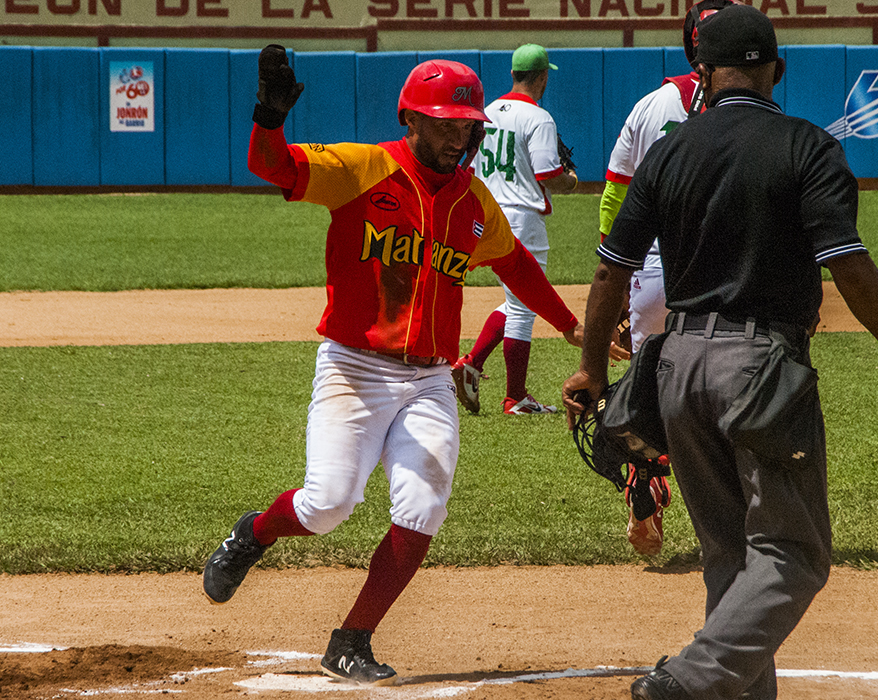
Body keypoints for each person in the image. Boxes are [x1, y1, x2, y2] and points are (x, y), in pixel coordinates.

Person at [562, 6, 878, 700]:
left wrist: (592, 366)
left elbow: (612, 268)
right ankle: (686, 681)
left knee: (732, 559)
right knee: (793, 553)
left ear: (702, 74)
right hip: (757, 369)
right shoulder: (805, 145)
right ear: (776, 71)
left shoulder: (668, 149)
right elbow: (847, 262)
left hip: (677, 368)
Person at [202, 49, 588, 687]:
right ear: (410, 118)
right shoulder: (363, 168)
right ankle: (255, 533)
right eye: (440, 122)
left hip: (431, 378)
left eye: (463, 124)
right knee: (327, 505)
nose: (453, 133)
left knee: (422, 506)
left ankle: (352, 639)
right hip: (355, 369)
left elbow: (516, 265)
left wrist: (572, 326)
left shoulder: (473, 200)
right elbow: (270, 165)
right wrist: (268, 120)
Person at [599, 0, 737, 559]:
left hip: (652, 271)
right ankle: (733, 519)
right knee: (728, 385)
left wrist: (614, 292)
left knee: (650, 388)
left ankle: (647, 476)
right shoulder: (750, 108)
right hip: (725, 268)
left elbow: (614, 194)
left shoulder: (651, 105)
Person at [452, 43, 581, 416]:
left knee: (515, 300)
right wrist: (571, 180)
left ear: (512, 75)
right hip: (523, 216)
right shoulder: (538, 118)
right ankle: (516, 397)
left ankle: (471, 364)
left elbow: (470, 167)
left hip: (488, 215)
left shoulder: (487, 111)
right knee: (524, 305)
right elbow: (548, 175)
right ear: (542, 77)